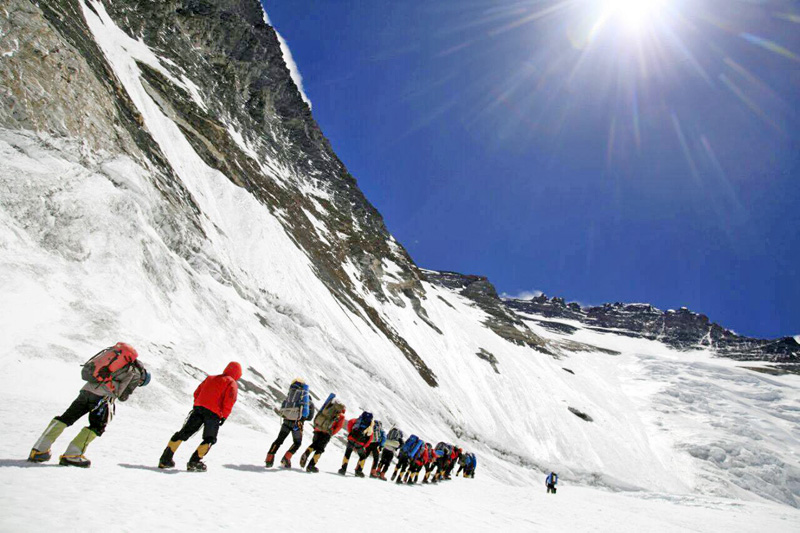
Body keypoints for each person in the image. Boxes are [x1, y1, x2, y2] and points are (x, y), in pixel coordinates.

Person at [28, 342, 149, 468]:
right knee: (97, 427)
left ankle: (39, 450)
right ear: (143, 379)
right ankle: (72, 455)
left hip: (86, 391)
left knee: (66, 418)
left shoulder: (118, 360)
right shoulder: (136, 372)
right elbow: (122, 395)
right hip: (102, 399)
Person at [158, 361, 241, 472]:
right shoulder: (231, 383)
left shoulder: (211, 378)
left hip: (198, 408)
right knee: (209, 438)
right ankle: (194, 461)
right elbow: (229, 401)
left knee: (184, 433)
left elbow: (197, 392)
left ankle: (165, 459)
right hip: (213, 414)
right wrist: (224, 416)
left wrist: (198, 404)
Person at [266, 378, 316, 468]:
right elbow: (309, 417)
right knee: (297, 443)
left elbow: (283, 407)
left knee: (279, 440)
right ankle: (286, 458)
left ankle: (269, 458)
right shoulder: (307, 400)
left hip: (286, 421)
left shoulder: (290, 396)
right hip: (297, 424)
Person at [299, 394, 345, 473]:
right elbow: (338, 427)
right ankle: (311, 466)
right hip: (326, 432)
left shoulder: (328, 407)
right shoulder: (341, 416)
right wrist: (331, 433)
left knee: (314, 444)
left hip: (318, 428)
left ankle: (306, 453)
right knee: (320, 449)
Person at [338, 411, 374, 477]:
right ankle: (358, 471)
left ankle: (343, 469)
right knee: (363, 456)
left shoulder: (357, 420)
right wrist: (364, 445)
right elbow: (370, 438)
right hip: (360, 443)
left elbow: (350, 423)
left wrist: (351, 434)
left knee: (347, 453)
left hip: (351, 439)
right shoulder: (370, 426)